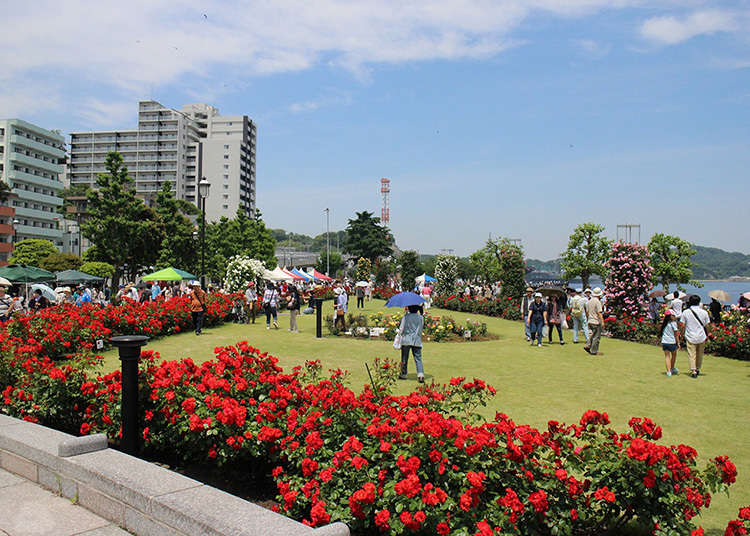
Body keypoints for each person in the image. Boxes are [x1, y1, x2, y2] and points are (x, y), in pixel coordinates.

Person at [679, 295, 711, 378]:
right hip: (701, 336)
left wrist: (682, 334)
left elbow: (682, 325)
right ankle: (697, 368)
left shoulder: (686, 312)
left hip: (690, 335)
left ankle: (693, 370)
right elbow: (707, 325)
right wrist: (708, 334)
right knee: (700, 354)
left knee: (691, 354)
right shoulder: (704, 312)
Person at [398, 304, 425, 383]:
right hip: (416, 339)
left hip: (406, 339)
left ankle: (403, 374)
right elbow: (421, 328)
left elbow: (401, 328)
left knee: (404, 358)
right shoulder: (421, 318)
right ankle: (420, 374)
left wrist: (399, 335)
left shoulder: (406, 317)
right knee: (418, 358)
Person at [584, 287, 605, 356]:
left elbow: (587, 312)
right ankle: (594, 351)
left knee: (593, 334)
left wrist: (588, 319)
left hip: (590, 320)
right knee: (597, 337)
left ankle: (588, 345)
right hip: (596, 321)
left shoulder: (589, 301)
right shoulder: (597, 302)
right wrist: (602, 322)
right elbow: (599, 313)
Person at [660, 310, 681, 377]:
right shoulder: (673, 323)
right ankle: (672, 368)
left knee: (667, 357)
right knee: (674, 355)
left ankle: (669, 371)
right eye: (674, 315)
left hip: (664, 341)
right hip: (672, 342)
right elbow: (676, 334)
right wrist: (678, 343)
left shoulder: (665, 323)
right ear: (671, 316)